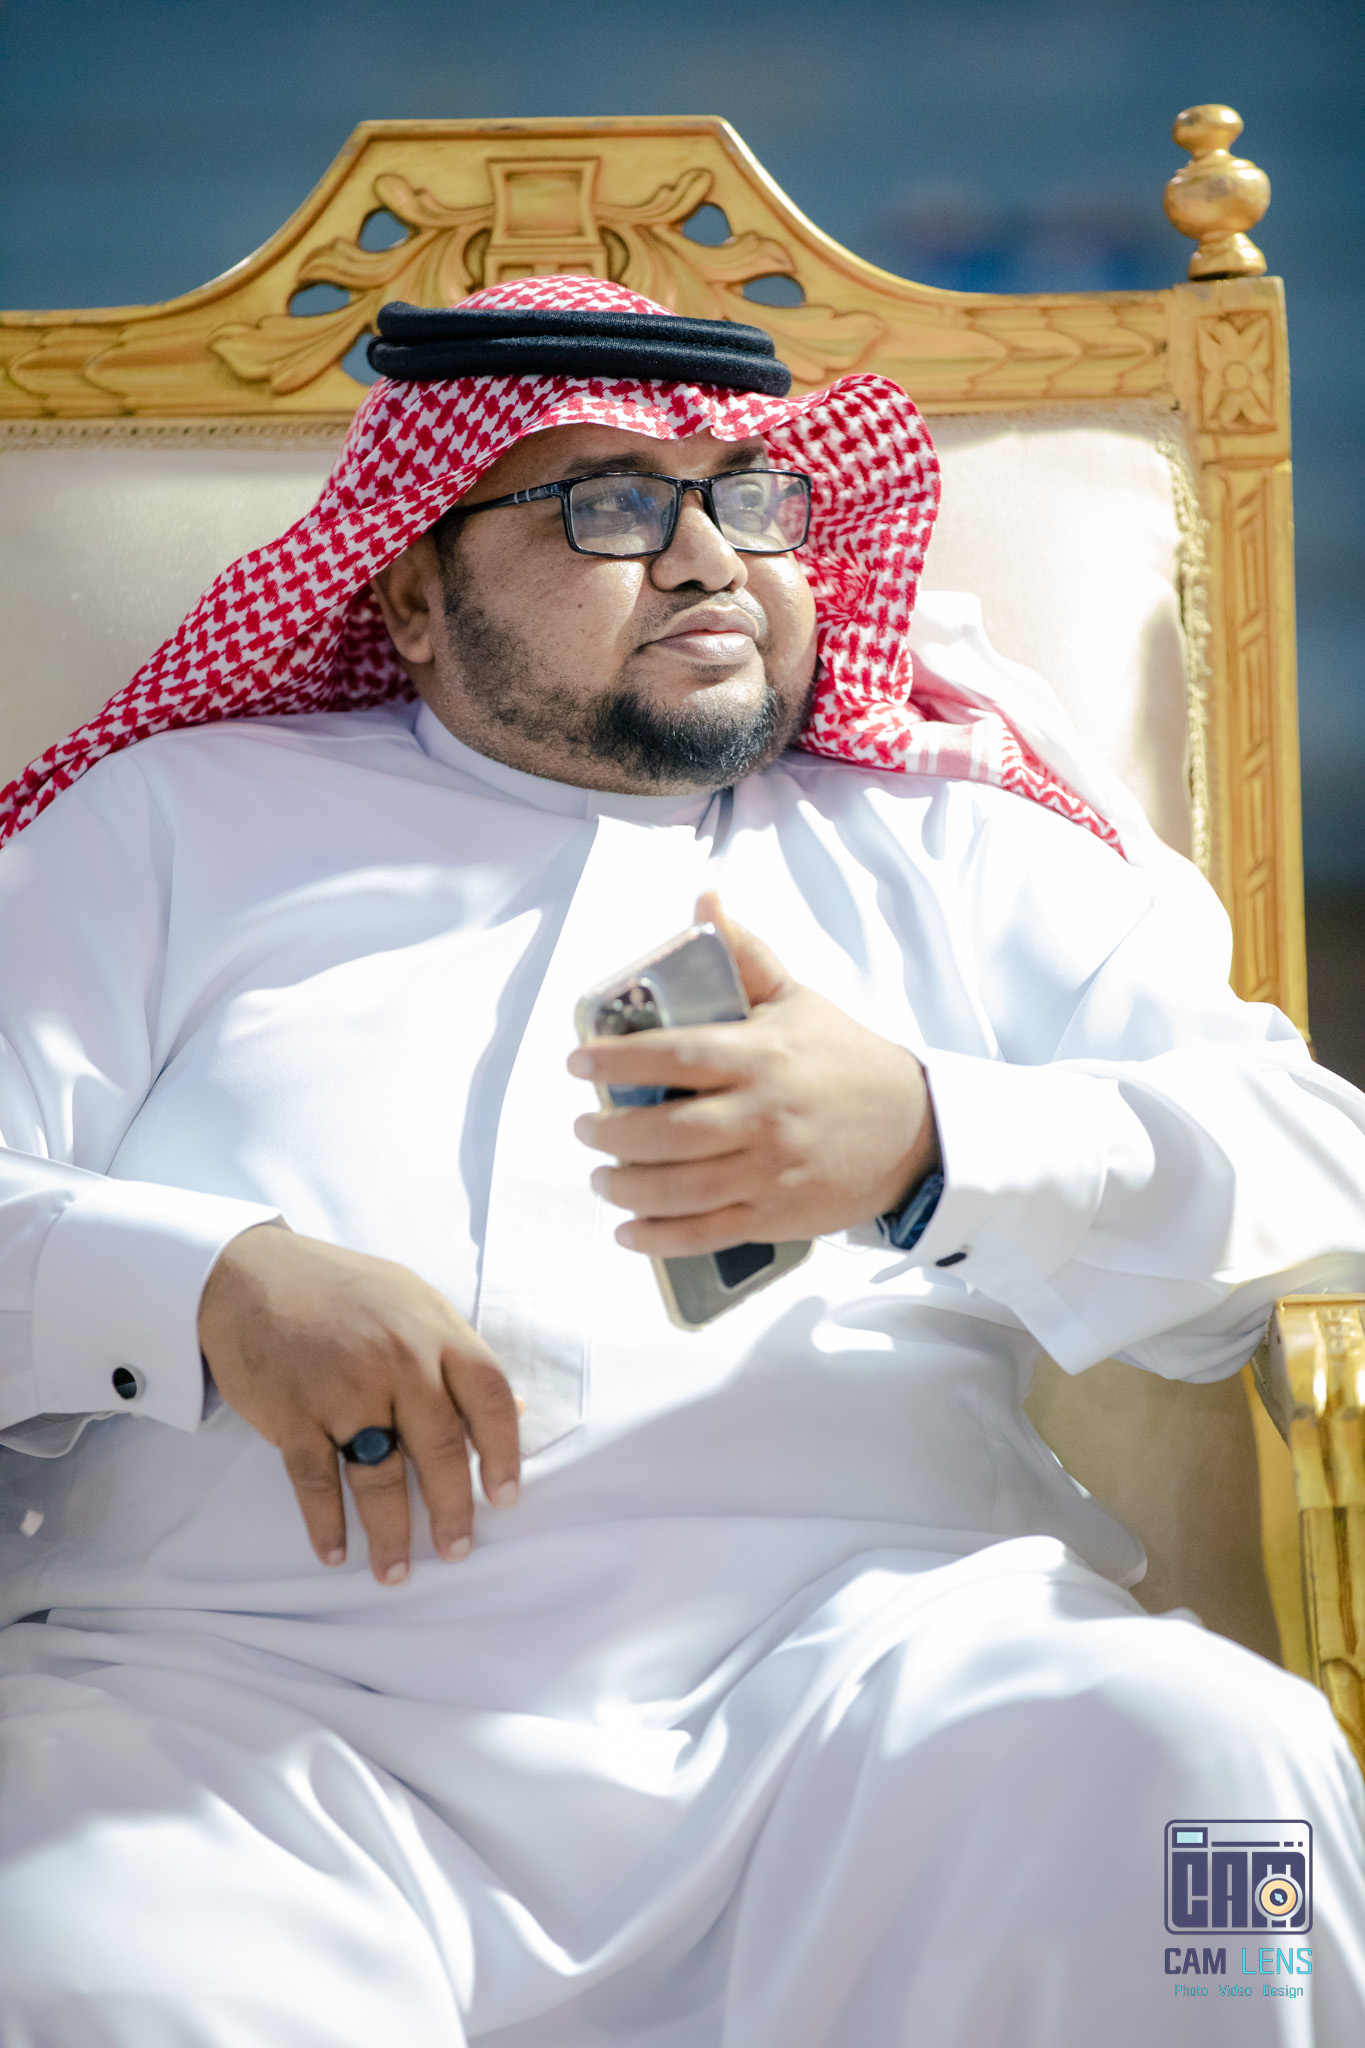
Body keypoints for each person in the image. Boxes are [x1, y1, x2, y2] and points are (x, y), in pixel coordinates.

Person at [0, 275, 1361, 2048]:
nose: (713, 559)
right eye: (611, 505)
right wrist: (201, 1288)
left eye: (749, 498)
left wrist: (933, 1137)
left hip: (873, 1682)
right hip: (237, 1714)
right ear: (409, 594)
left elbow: (1323, 1181)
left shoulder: (957, 844)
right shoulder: (171, 824)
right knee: (85, 1957)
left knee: (1217, 1788)